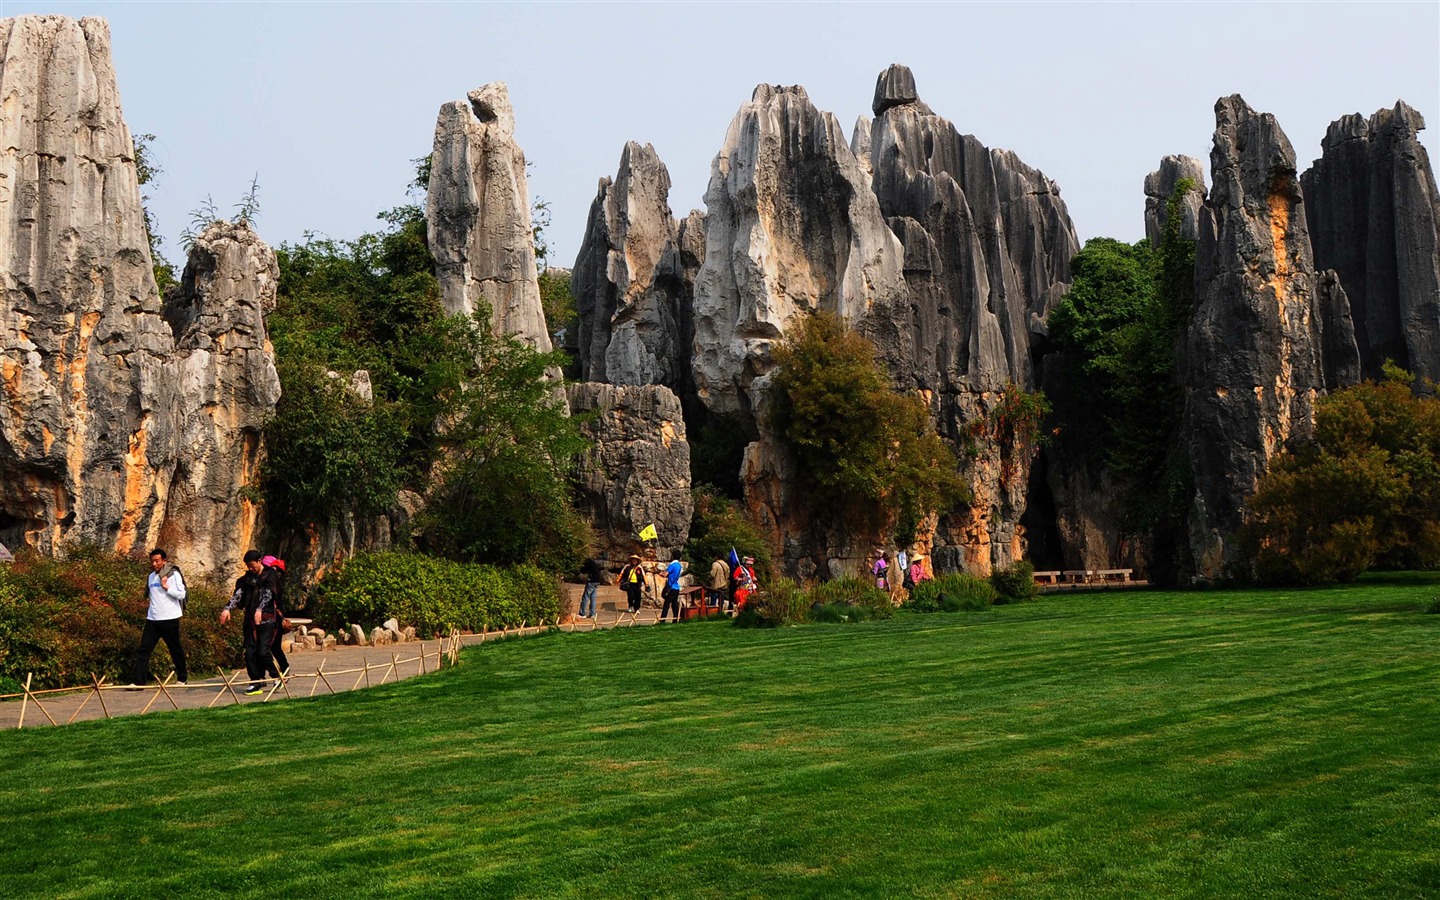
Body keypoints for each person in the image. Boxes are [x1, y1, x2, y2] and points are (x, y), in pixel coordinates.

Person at [220, 550, 280, 695]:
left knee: (263, 651)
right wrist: (227, 608)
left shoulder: (270, 575)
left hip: (267, 619)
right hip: (250, 620)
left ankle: (276, 676)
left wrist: (260, 609)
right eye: (248, 566)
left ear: (259, 561)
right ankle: (256, 681)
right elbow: (238, 594)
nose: (251, 569)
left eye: (252, 565)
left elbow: (268, 594)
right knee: (250, 652)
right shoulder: (247, 579)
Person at [129, 548, 188, 687]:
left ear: (164, 561)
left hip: (170, 618)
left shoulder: (173, 574)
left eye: (157, 561)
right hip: (153, 619)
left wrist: (166, 587)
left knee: (175, 649)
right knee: (143, 650)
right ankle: (138, 682)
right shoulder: (151, 576)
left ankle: (182, 678)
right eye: (152, 561)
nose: (154, 564)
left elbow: (182, 594)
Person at [262, 555, 290, 680]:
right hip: (266, 616)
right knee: (265, 647)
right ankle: (261, 676)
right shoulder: (272, 579)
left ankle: (284, 668)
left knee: (272, 647)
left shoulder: (273, 581)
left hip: (274, 617)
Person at [661, 556, 683, 622]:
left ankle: (662, 619)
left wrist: (661, 573)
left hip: (671, 587)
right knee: (674, 604)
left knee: (666, 604)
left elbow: (665, 574)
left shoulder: (672, 565)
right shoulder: (679, 565)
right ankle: (675, 619)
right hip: (676, 587)